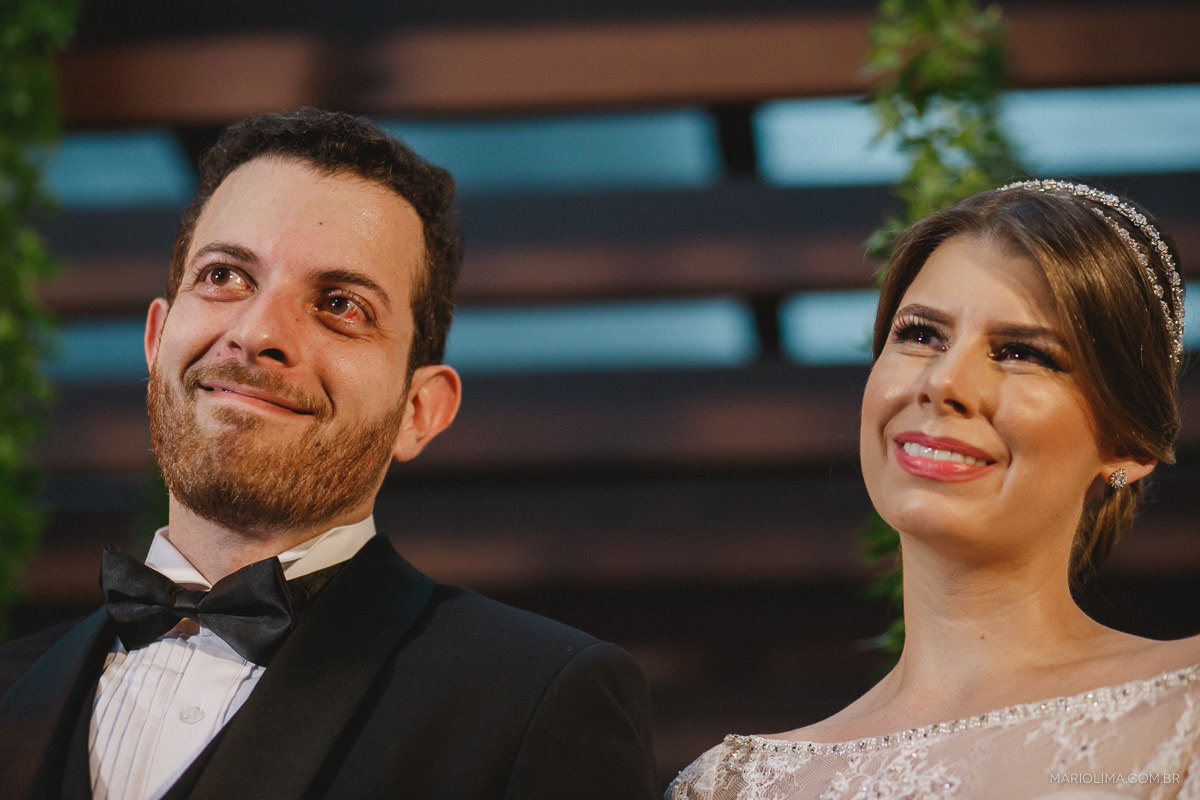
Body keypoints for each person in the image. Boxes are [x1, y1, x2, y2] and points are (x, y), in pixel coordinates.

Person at [0, 108, 658, 800]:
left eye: (341, 305)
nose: (256, 334)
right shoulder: (13, 685)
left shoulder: (537, 700)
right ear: (156, 339)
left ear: (418, 411)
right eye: (224, 276)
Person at [668, 179, 1199, 798]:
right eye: (921, 335)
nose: (944, 382)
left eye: (1022, 352)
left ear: (1126, 448)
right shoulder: (732, 787)